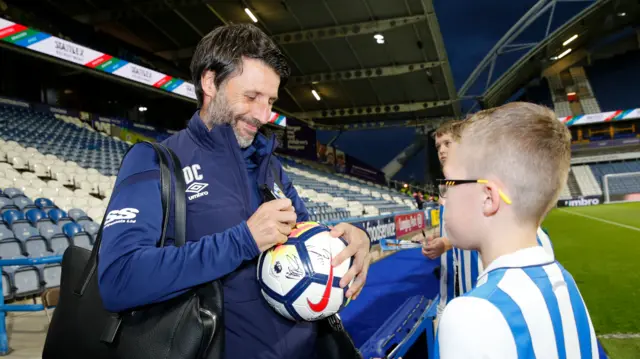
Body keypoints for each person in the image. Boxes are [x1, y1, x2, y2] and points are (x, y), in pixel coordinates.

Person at [97, 23, 372, 359]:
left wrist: (349, 243)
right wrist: (243, 240)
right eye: (252, 96)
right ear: (210, 82)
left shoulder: (268, 164)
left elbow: (307, 240)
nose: (264, 114)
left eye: (270, 100)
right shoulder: (155, 161)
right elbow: (118, 280)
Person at [435, 102, 598, 358]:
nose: (443, 197)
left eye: (449, 182)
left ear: (488, 197)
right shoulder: (564, 281)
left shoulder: (472, 315)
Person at [418, 119, 554, 321]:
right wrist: (440, 236)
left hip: (490, 292)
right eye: (438, 146)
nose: (442, 150)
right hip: (463, 286)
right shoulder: (452, 185)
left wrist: (446, 243)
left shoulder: (483, 181)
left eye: (448, 143)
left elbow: (489, 227)